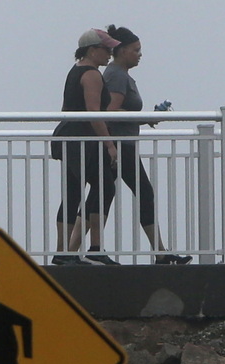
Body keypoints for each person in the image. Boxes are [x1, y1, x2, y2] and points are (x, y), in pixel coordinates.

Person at [104, 25, 192, 265]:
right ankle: (159, 253)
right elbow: (111, 112)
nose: (140, 54)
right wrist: (146, 118)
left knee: (104, 196)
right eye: (136, 50)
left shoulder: (121, 75)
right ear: (121, 51)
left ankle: (78, 250)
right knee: (138, 193)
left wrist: (147, 118)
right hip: (119, 146)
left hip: (123, 144)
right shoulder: (117, 75)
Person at [52, 28, 121, 266]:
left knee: (73, 193)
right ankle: (95, 247)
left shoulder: (76, 70)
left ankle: (63, 253)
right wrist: (109, 145)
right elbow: (94, 113)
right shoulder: (91, 74)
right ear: (93, 50)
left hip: (70, 137)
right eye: (106, 50)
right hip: (84, 139)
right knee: (105, 188)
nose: (110, 55)